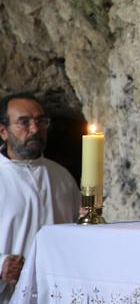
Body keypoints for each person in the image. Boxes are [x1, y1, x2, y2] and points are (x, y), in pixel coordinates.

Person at [0, 93, 80, 302]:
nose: (35, 129)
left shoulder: (62, 177)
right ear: (3, 131)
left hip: (55, 293)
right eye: (23, 122)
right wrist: (1, 266)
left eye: (40, 121)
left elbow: (78, 235)